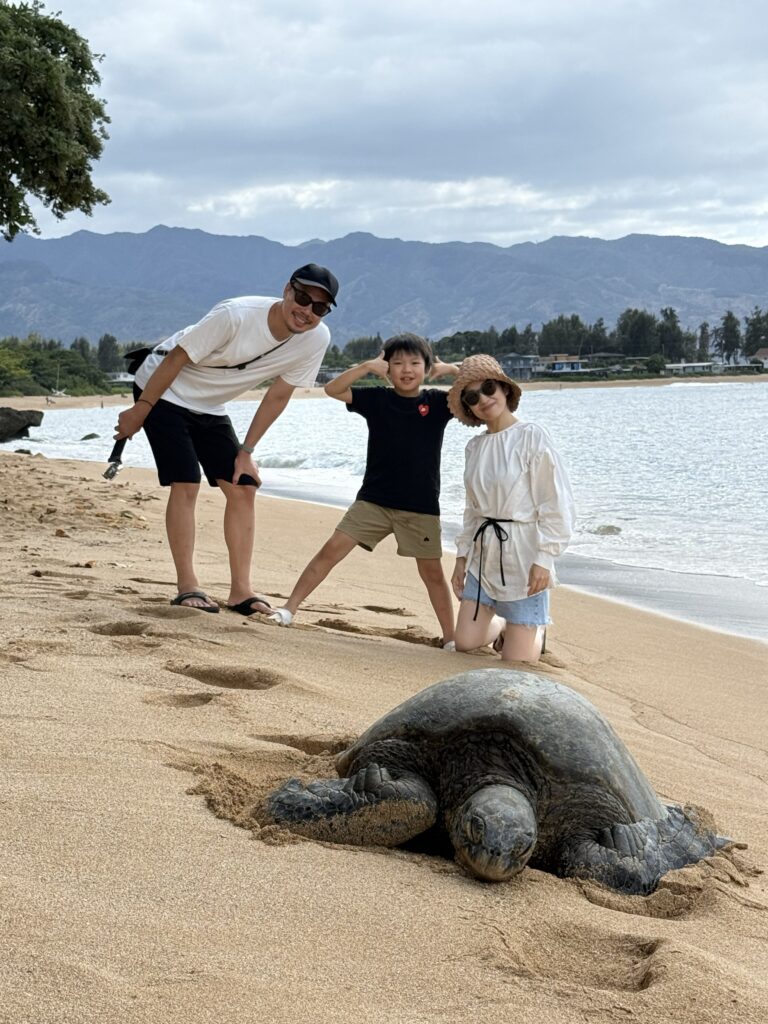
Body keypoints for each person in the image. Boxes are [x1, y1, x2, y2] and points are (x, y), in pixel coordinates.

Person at [114, 263, 339, 615]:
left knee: (243, 484)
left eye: (320, 307)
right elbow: (177, 357)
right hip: (163, 388)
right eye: (302, 297)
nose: (307, 310)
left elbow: (278, 395)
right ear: (287, 289)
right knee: (186, 481)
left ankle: (240, 592)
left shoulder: (316, 338)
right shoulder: (236, 315)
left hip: (209, 404)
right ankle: (187, 586)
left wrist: (246, 452)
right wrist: (140, 409)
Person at [269, 334, 460, 647]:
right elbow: (333, 389)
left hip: (420, 506)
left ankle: (450, 638)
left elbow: (479, 390)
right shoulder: (378, 399)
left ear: (427, 368)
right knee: (331, 550)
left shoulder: (438, 403)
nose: (406, 369)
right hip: (374, 501)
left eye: (415, 363)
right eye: (397, 363)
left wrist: (451, 369)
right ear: (386, 368)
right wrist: (365, 367)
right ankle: (289, 609)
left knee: (433, 574)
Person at [448, 354, 575, 662]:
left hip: (522, 552)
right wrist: (462, 557)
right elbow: (472, 509)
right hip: (484, 553)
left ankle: (535, 631)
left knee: (516, 663)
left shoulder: (532, 436)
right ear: (468, 407)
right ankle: (504, 622)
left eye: (489, 387)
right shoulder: (474, 447)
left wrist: (545, 558)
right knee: (464, 643)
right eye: (472, 396)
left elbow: (556, 501)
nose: (484, 399)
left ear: (504, 389)